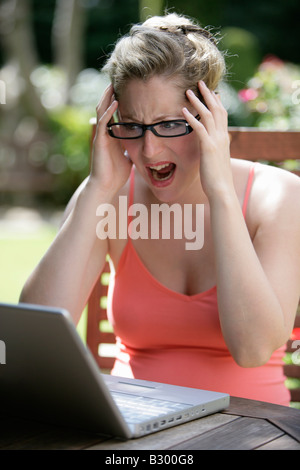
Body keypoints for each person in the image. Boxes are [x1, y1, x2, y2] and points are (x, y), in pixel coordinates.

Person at [20, 13, 300, 406]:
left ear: (209, 115)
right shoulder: (109, 197)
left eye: (169, 124)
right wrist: (98, 190)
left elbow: (252, 351)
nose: (149, 152)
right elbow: (34, 340)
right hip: (134, 427)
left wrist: (219, 191)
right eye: (132, 125)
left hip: (250, 430)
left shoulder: (278, 196)